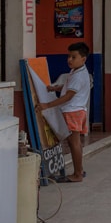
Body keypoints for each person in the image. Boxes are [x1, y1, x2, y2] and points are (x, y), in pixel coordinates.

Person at [37, 42, 91, 183]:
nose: (69, 60)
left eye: (73, 57)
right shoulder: (78, 71)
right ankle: (79, 170)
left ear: (83, 59)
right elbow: (69, 87)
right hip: (78, 111)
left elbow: (68, 96)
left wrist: (47, 105)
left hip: (72, 112)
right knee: (76, 143)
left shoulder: (78, 75)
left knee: (74, 144)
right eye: (69, 56)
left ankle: (78, 174)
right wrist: (55, 88)